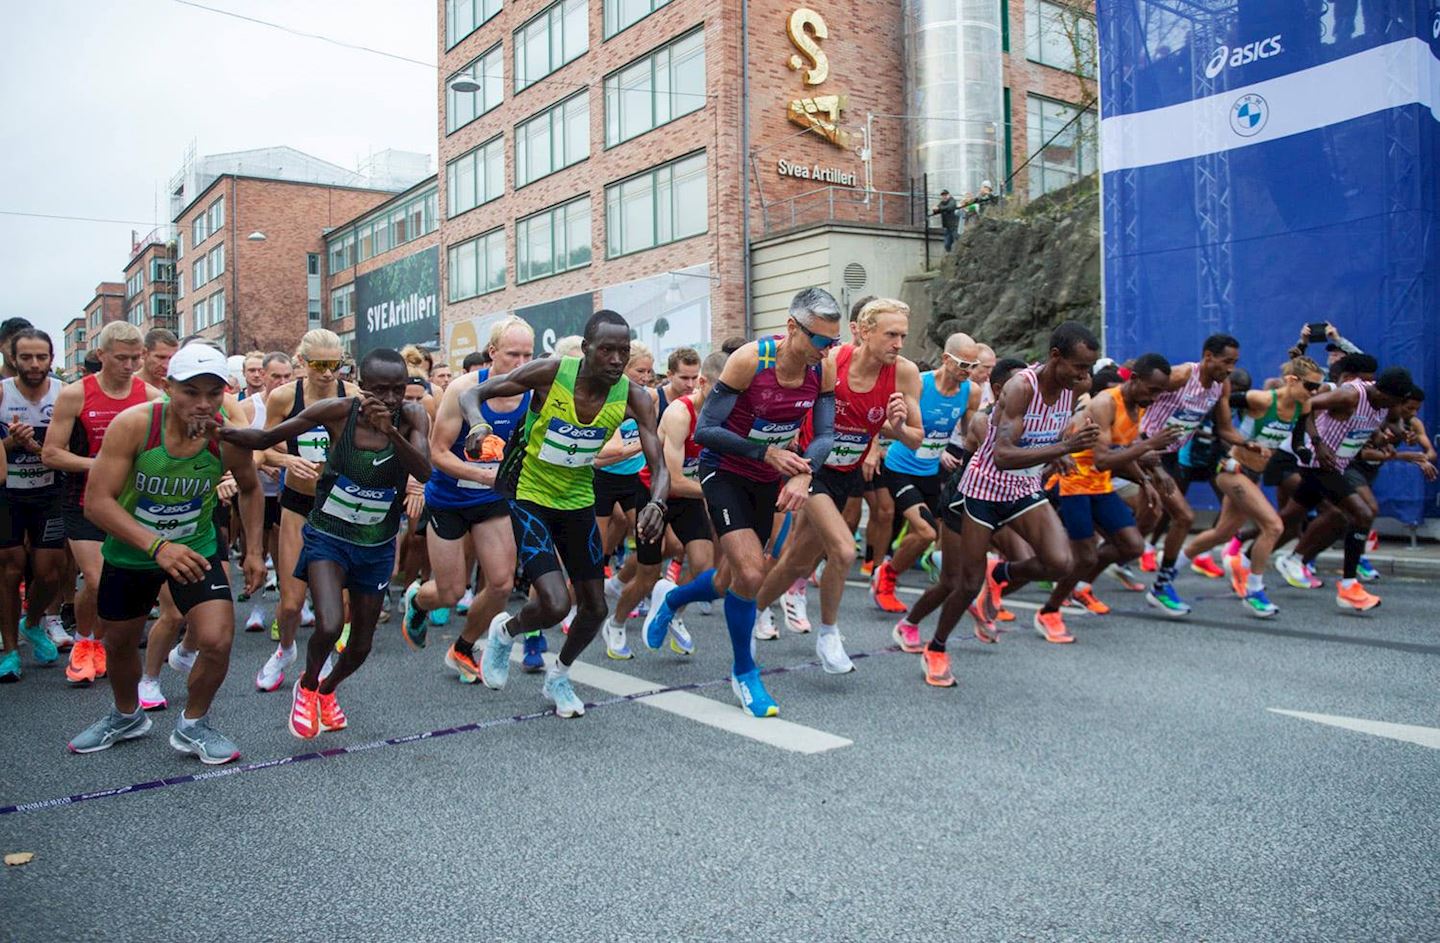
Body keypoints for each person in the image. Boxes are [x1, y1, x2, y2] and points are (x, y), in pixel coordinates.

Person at [66, 343, 265, 763]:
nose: (204, 404)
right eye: (191, 392)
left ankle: (193, 725)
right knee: (119, 644)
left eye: (214, 393)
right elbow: (97, 503)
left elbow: (249, 488)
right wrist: (157, 545)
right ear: (167, 386)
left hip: (195, 549)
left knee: (216, 639)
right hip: (133, 550)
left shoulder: (226, 436)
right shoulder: (135, 425)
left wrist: (253, 551)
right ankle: (126, 716)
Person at [469, 310, 669, 718]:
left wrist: (657, 502)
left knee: (594, 608)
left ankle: (558, 676)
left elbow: (660, 464)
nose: (616, 359)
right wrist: (476, 426)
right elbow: (471, 395)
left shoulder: (634, 396)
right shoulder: (551, 373)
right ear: (586, 349)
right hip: (531, 496)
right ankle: (506, 631)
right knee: (557, 603)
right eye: (607, 350)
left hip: (577, 498)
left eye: (623, 351)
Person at [224, 348, 431, 737]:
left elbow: (423, 470)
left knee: (362, 645)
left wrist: (390, 431)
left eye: (398, 390)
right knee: (331, 623)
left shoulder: (414, 416)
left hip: (376, 543)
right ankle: (306, 686)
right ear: (361, 387)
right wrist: (218, 431)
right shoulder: (340, 412)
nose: (389, 399)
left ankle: (327, 690)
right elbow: (267, 437)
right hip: (329, 537)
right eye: (380, 390)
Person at [919, 322, 1100, 687]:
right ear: (1055, 357)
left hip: (1023, 486)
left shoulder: (1074, 386)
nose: (1084, 376)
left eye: (1088, 368)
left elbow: (1047, 434)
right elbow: (1002, 455)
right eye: (1079, 367)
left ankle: (998, 575)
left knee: (1060, 562)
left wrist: (1058, 450)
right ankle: (936, 648)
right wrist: (1066, 448)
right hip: (984, 488)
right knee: (967, 584)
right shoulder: (1021, 388)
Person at [751, 298, 922, 673]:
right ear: (863, 332)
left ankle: (754, 610)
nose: (898, 343)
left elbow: (915, 439)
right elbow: (795, 404)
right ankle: (829, 634)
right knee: (843, 550)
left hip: (846, 473)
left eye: (903, 336)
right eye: (890, 334)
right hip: (809, 466)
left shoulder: (905, 374)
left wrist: (895, 425)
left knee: (798, 559)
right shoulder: (832, 362)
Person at [691, 288, 840, 716]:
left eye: (834, 342)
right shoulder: (751, 360)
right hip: (725, 469)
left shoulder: (822, 369)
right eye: (820, 340)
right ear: (792, 328)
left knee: (726, 580)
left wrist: (804, 471)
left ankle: (674, 600)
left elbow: (826, 435)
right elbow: (705, 430)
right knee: (753, 573)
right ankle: (744, 673)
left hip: (766, 476)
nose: (827, 351)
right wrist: (767, 453)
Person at [402, 317, 535, 678]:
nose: (522, 364)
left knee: (502, 584)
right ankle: (416, 600)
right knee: (449, 591)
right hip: (448, 498)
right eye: (512, 354)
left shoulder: (534, 393)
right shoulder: (463, 389)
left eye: (528, 355)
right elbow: (438, 452)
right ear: (492, 353)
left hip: (491, 502)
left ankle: (463, 647)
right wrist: (484, 475)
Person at [42, 321, 162, 686]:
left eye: (135, 358)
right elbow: (51, 453)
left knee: (121, 584)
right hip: (84, 500)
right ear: (101, 355)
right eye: (121, 358)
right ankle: (83, 642)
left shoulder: (152, 395)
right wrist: (102, 464)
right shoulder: (76, 394)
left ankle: (103, 641)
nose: (129, 365)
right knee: (95, 580)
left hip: (131, 504)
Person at [1037, 355, 1177, 640]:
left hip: (1099, 485)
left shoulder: (1138, 405)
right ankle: (1050, 610)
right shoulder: (1104, 404)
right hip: (1072, 483)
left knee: (1132, 545)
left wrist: (1145, 478)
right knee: (1085, 556)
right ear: (1134, 379)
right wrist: (1148, 447)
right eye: (1152, 389)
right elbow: (1102, 459)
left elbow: (1120, 449)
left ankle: (1075, 579)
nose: (1155, 397)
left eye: (1161, 392)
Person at [1180, 357, 1324, 618]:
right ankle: (1254, 591)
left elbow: (1299, 438)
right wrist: (1228, 440)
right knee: (1274, 526)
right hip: (1232, 468)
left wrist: (1304, 453)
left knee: (1222, 534)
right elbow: (1219, 406)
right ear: (1292, 381)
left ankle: (1169, 568)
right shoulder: (1261, 400)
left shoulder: (1303, 406)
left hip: (1253, 474)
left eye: (1317, 388)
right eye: (1311, 386)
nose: (1313, 393)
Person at [253, 329, 350, 691]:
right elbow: (263, 449)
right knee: (292, 603)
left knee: (335, 603)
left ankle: (319, 662)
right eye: (319, 365)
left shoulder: (351, 395)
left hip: (339, 505)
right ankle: (285, 650)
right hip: (297, 503)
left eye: (334, 364)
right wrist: (288, 460)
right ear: (302, 362)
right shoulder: (283, 397)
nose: (327, 373)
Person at [1280, 366, 1413, 611]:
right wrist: (1317, 444)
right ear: (1387, 394)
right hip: (1317, 464)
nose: (1399, 406)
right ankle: (1348, 586)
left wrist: (1386, 439)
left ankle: (1246, 557)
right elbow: (1307, 406)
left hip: (1337, 466)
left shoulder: (1383, 405)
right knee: (1362, 513)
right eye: (1399, 400)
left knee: (1285, 520)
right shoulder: (1350, 395)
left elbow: (1370, 429)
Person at [1138, 333, 1248, 617]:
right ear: (1208, 357)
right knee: (1178, 517)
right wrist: (1134, 440)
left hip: (1168, 455)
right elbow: (1136, 395)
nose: (1230, 368)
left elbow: (1224, 429)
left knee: (1151, 520)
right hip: (1141, 449)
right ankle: (1159, 585)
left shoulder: (1220, 387)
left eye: (1234, 362)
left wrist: (1249, 443)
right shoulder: (1181, 375)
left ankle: (1147, 579)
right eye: (1226, 361)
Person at [873, 331, 981, 614]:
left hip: (930, 470)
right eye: (962, 364)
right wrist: (889, 439)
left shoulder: (972, 393)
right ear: (946, 359)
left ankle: (891, 571)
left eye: (973, 366)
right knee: (924, 531)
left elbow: (970, 436)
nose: (968, 372)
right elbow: (879, 420)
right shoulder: (919, 384)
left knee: (934, 534)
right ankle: (886, 577)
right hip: (899, 467)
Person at [0, 328, 70, 675]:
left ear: (51, 359)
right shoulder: (2, 393)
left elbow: (70, 452)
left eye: (41, 357)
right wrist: (11, 445)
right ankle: (11, 651)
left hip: (49, 492)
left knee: (49, 572)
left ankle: (34, 620)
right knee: (10, 571)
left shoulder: (64, 394)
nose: (34, 364)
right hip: (7, 494)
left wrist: (36, 448)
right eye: (26, 357)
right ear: (13, 358)